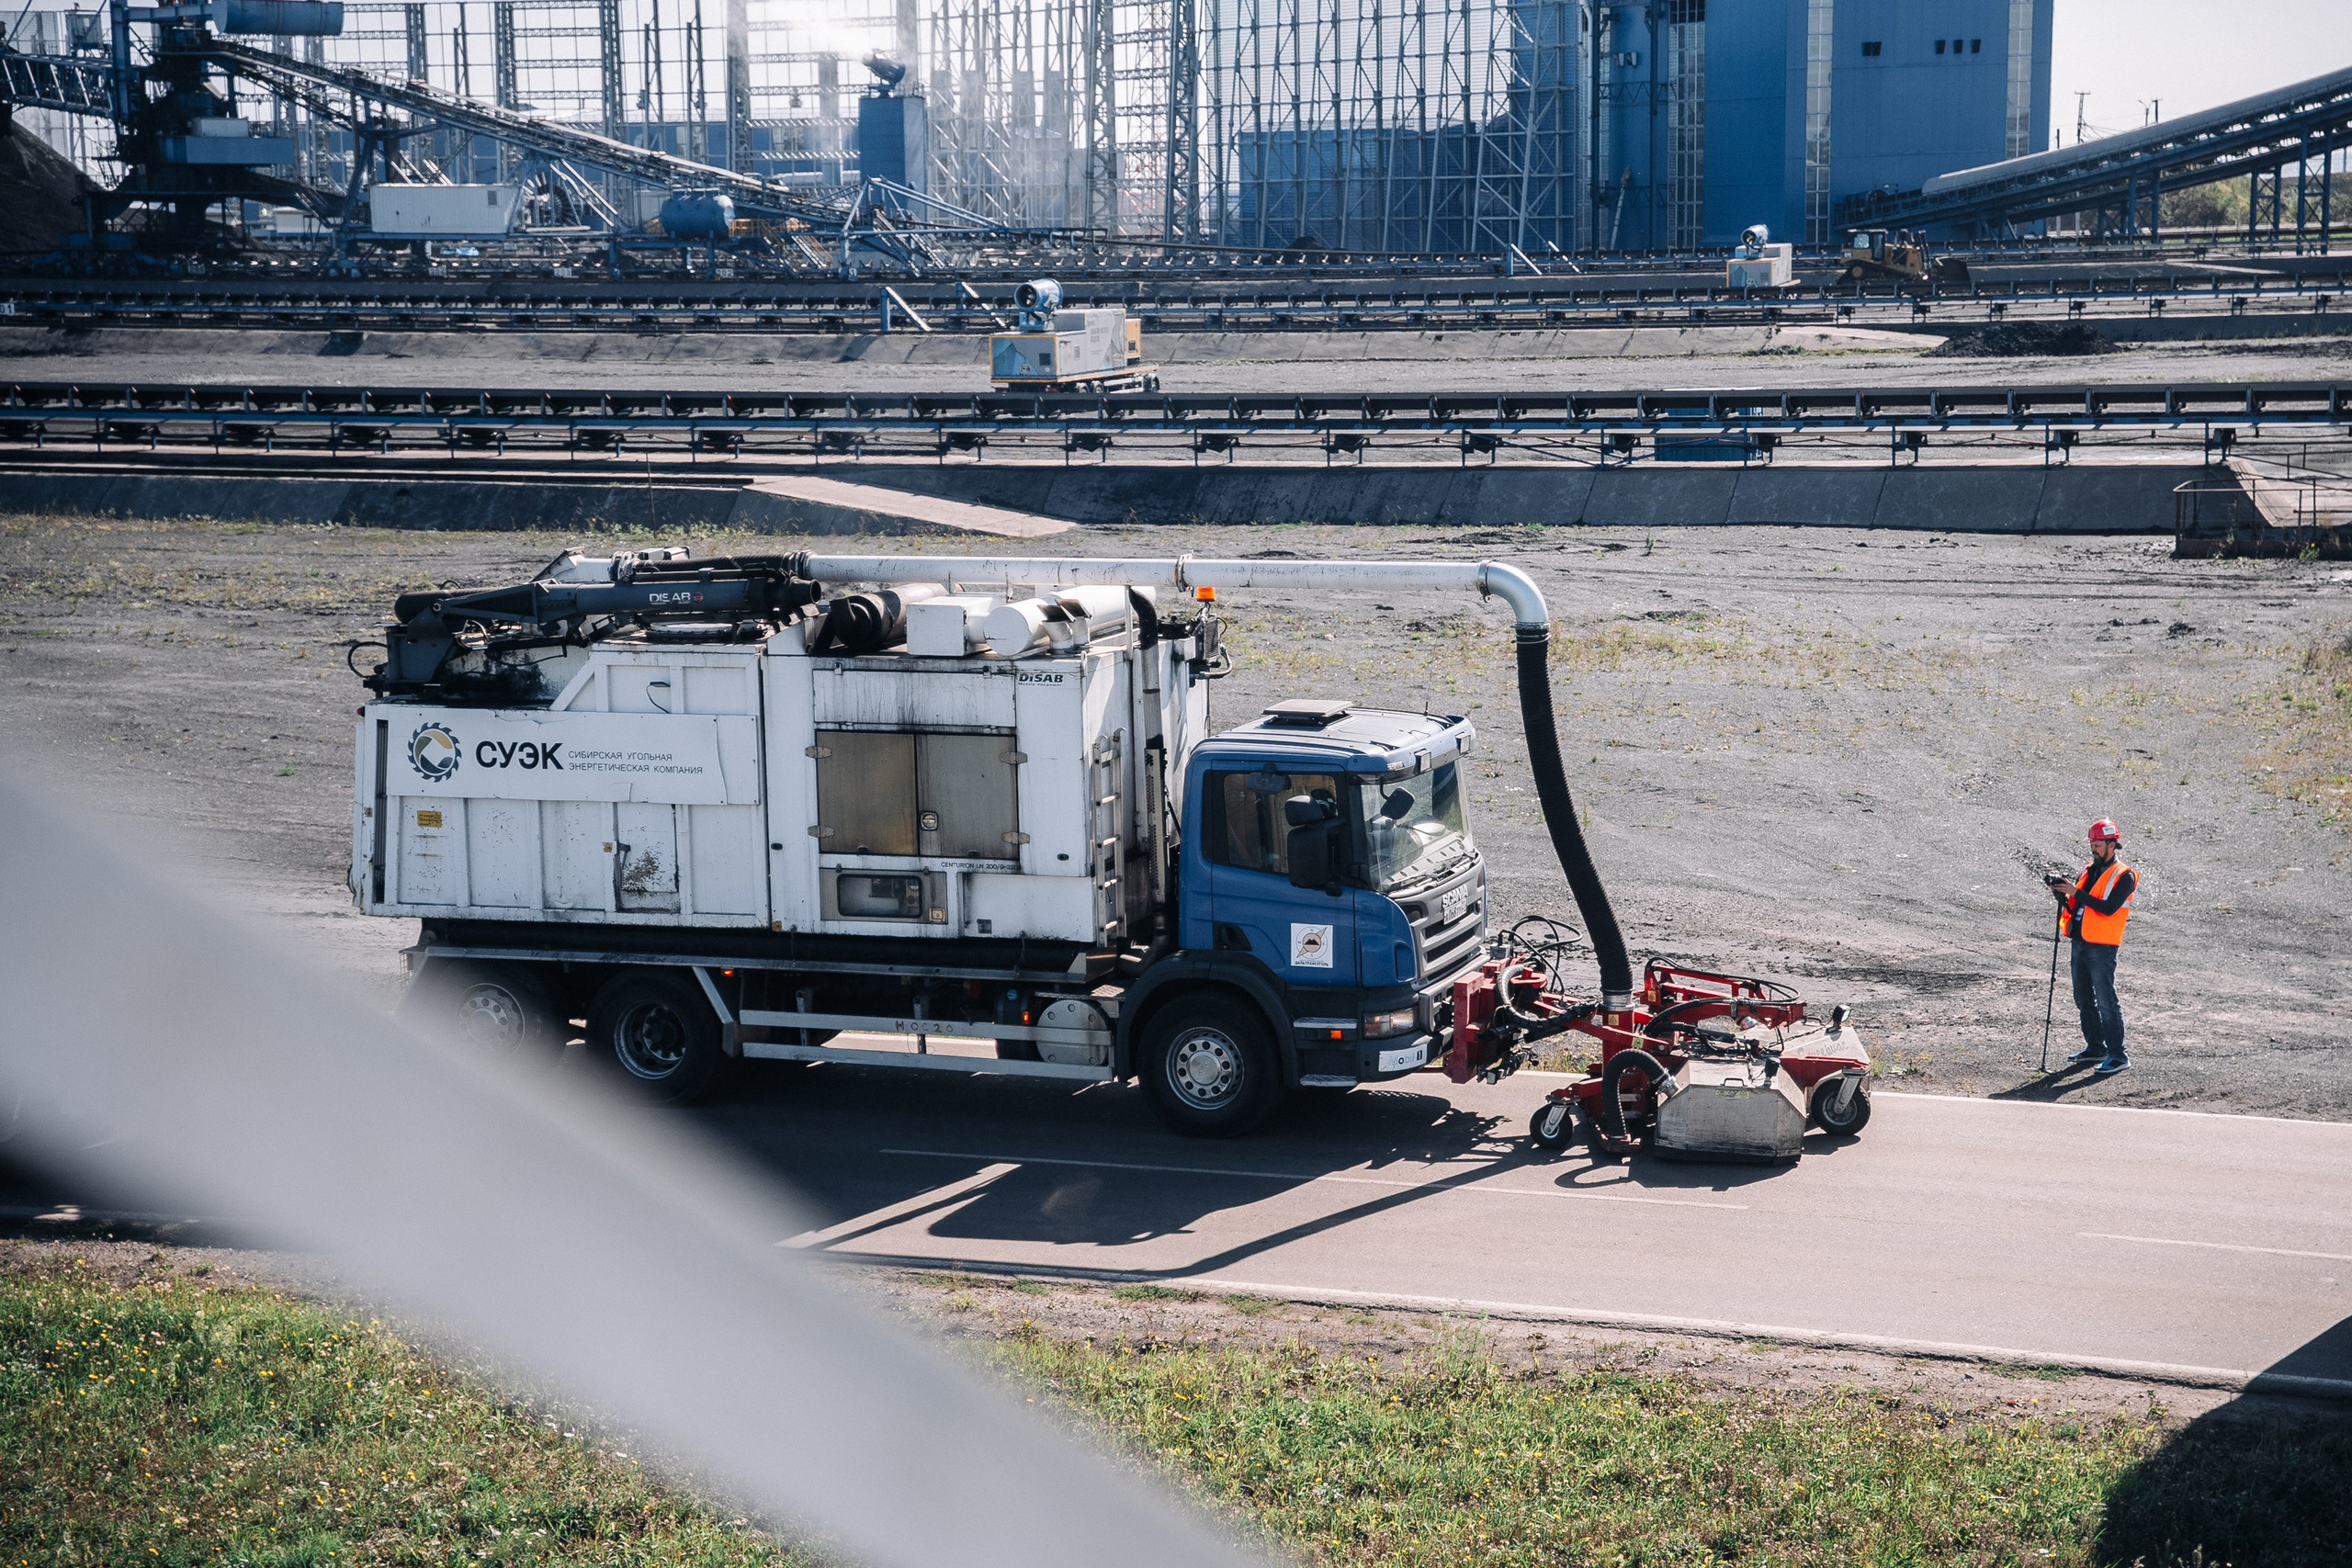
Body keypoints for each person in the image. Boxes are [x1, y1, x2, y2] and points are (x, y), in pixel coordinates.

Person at [2044, 819, 2137, 1077]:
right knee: (2083, 998)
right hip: (2081, 941)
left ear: (2112, 844)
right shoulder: (2088, 870)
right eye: (2092, 844)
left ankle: (2118, 1056)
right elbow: (2079, 904)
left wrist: (2075, 891)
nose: (2093, 849)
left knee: (2107, 1001)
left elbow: (2108, 908)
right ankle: (2096, 1047)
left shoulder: (2125, 876)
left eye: (2097, 845)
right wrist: (2062, 894)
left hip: (2103, 946)